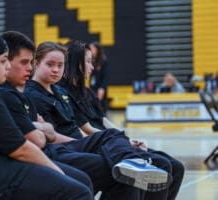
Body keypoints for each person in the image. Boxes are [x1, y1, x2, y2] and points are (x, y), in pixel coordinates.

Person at [0, 31, 171, 200]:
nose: (56, 70)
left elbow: (80, 125)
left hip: (73, 144)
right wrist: (49, 131)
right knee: (118, 168)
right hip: (63, 148)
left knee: (127, 150)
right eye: (49, 65)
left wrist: (122, 141)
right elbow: (45, 137)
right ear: (37, 64)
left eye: (60, 65)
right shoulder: (26, 93)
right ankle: (131, 161)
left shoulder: (60, 91)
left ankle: (132, 161)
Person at [0, 31, 94, 200]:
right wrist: (59, 173)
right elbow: (22, 150)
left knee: (81, 180)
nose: (7, 66)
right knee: (78, 191)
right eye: (3, 61)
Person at [58, 40, 185, 200]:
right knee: (160, 166)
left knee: (177, 167)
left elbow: (104, 121)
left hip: (113, 141)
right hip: (103, 144)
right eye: (89, 62)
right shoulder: (63, 92)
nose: (92, 67)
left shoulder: (87, 92)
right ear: (76, 63)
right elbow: (87, 129)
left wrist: (126, 138)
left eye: (93, 62)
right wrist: (120, 140)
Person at [89, 41, 109, 113]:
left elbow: (105, 76)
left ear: (97, 49)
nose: (90, 50)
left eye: (92, 48)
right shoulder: (91, 60)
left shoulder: (103, 60)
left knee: (101, 104)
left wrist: (102, 88)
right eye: (90, 48)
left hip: (100, 87)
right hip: (92, 86)